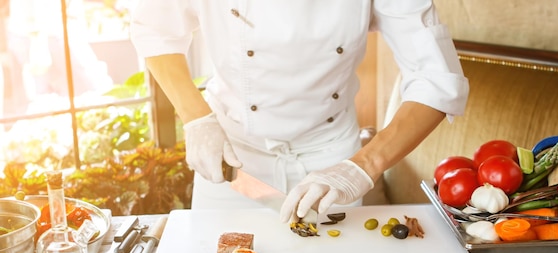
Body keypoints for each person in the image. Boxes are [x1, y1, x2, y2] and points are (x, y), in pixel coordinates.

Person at [129, 1, 469, 222]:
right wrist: (197, 119)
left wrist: (363, 166)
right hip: (232, 158)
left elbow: (436, 78)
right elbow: (156, 30)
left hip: (333, 162)